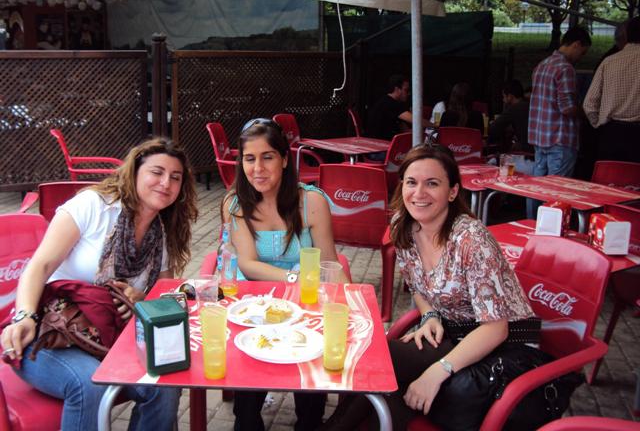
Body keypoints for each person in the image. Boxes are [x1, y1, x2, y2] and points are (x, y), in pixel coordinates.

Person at [319, 144, 534, 430]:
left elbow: (497, 329)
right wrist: (430, 315)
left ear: (453, 191)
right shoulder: (403, 226)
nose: (419, 193)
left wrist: (437, 371)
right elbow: (418, 287)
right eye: (411, 182)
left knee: (391, 385)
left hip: (504, 345)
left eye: (432, 183)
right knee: (371, 362)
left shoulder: (471, 240)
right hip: (453, 333)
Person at [1, 137, 198, 431]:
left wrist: (140, 298)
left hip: (108, 339)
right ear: (134, 173)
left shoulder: (162, 233)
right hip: (50, 333)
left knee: (164, 382)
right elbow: (38, 267)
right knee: (90, 384)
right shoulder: (93, 206)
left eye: (175, 177)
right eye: (156, 172)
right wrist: (24, 315)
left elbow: (163, 298)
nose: (165, 183)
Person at [222, 117, 347, 431]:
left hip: (305, 301)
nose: (258, 168)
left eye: (267, 157)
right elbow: (248, 264)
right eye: (249, 159)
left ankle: (309, 420)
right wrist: (295, 278)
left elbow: (329, 262)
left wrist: (351, 306)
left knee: (314, 359)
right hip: (251, 303)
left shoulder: (312, 202)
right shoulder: (235, 203)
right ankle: (247, 418)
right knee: (247, 409)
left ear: (284, 159)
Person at [527, 26, 591, 216]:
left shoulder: (541, 65)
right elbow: (567, 107)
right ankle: (551, 228)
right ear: (576, 44)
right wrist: (586, 114)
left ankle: (531, 224)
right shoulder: (566, 69)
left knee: (536, 188)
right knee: (556, 191)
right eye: (583, 52)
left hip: (539, 137)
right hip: (560, 139)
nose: (581, 57)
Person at [583, 16, 640, 163]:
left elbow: (589, 104)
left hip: (610, 134)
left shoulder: (609, 62)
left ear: (627, 35)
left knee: (610, 174)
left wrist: (600, 125)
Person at [366, 75, 429, 143]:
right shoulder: (391, 104)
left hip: (380, 143)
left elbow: (405, 130)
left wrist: (425, 132)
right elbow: (416, 121)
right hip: (381, 145)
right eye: (406, 90)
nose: (409, 93)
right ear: (397, 89)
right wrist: (435, 126)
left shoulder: (387, 102)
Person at [488, 79, 532, 153]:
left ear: (510, 96)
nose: (503, 100)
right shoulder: (529, 105)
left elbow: (494, 128)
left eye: (503, 96)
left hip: (526, 151)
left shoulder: (514, 108)